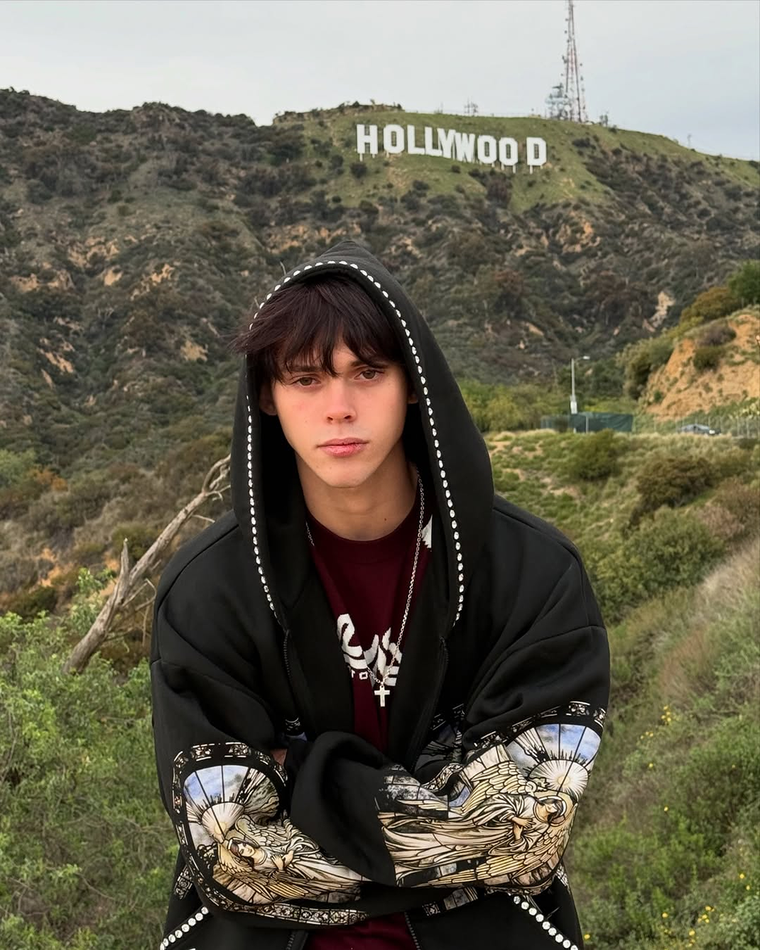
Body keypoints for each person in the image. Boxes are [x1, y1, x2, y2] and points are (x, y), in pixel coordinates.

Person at [150, 240, 610, 950]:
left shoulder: (533, 576)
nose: (339, 407)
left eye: (367, 371)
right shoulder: (208, 593)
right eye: (305, 378)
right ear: (267, 396)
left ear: (413, 383)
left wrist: (299, 776)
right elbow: (235, 852)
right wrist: (441, 798)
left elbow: (524, 833)